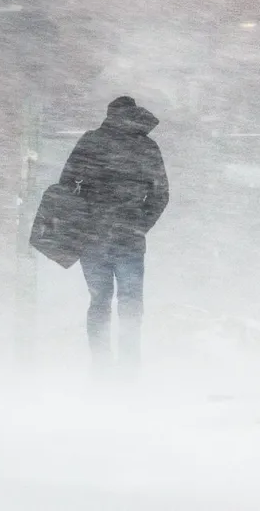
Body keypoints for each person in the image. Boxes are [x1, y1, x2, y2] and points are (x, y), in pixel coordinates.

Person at [59, 96, 169, 374]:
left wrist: (83, 216)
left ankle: (101, 363)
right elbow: (160, 194)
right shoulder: (146, 146)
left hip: (93, 237)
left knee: (99, 299)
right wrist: (140, 222)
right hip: (129, 238)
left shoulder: (91, 141)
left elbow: (65, 185)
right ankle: (129, 362)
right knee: (130, 302)